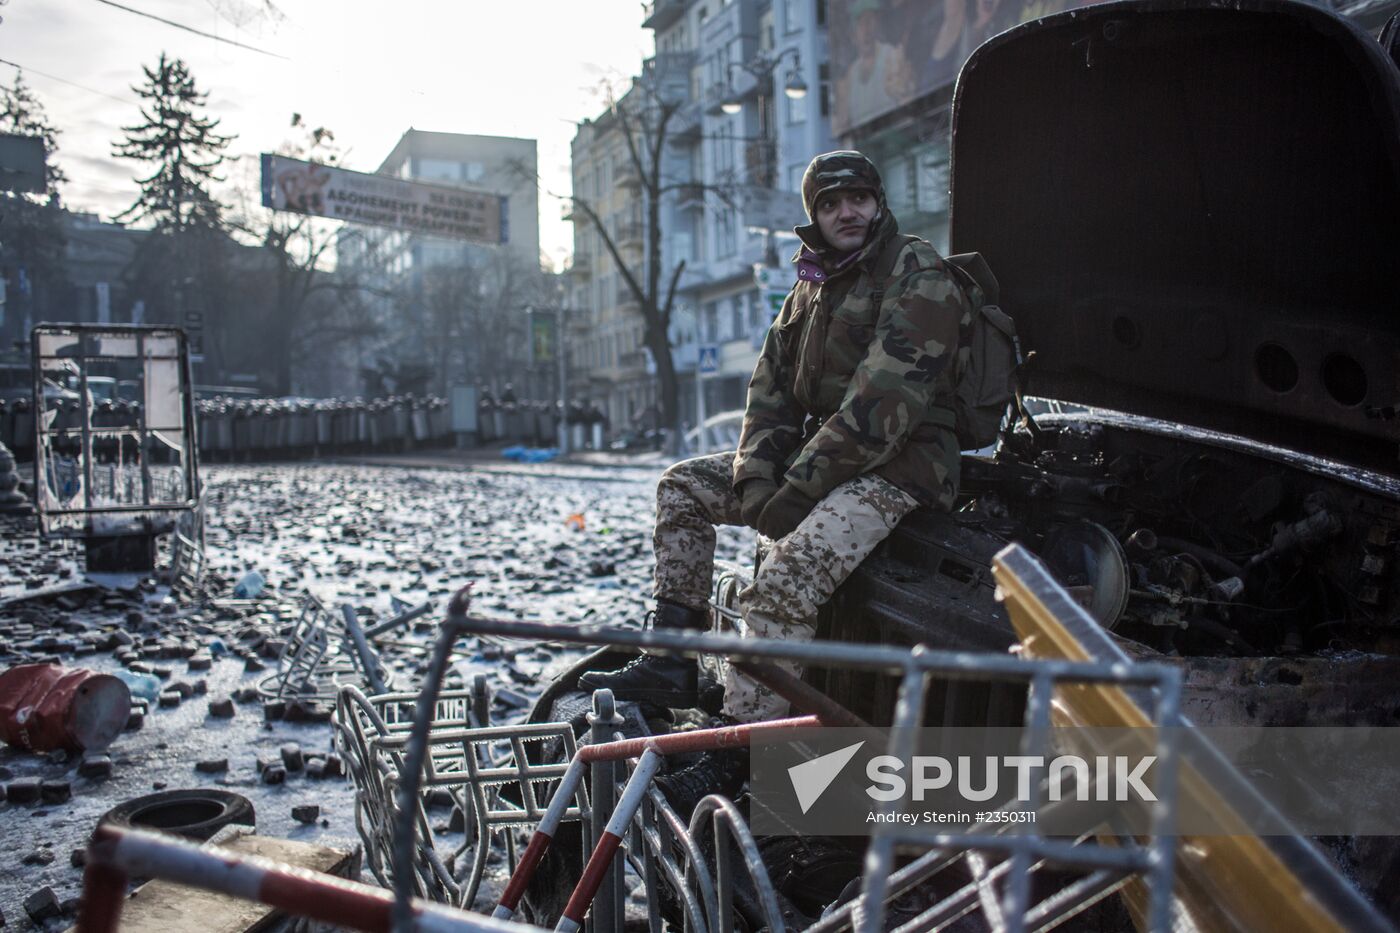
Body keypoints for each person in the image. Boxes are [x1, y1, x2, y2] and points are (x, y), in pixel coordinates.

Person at [579, 151, 973, 798]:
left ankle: (744, 754)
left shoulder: (916, 271)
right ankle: (671, 659)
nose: (847, 211)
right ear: (814, 214)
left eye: (859, 198)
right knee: (681, 488)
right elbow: (768, 396)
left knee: (785, 580)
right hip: (821, 462)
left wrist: (798, 490)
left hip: (904, 465)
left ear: (878, 203)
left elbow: (881, 404)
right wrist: (757, 479)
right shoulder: (810, 288)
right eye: (830, 202)